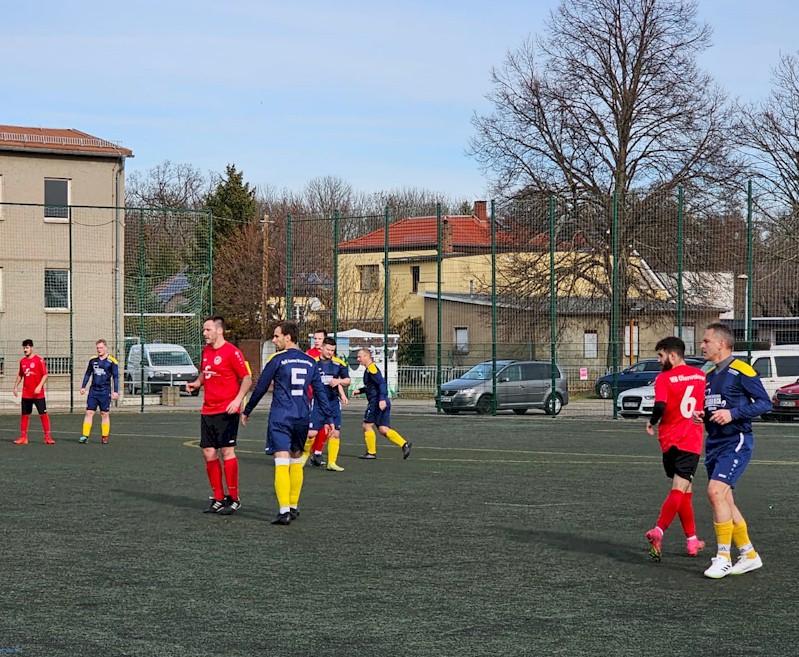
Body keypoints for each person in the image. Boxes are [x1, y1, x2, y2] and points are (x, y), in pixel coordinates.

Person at [241, 321, 334, 525]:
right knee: (295, 461)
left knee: (281, 461)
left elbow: (260, 388)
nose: (274, 340)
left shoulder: (277, 360)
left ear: (288, 337)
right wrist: (329, 418)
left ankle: (284, 511)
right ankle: (293, 506)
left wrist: (247, 410)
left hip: (281, 417)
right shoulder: (311, 362)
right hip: (302, 418)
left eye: (276, 336)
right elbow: (320, 393)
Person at [698, 322, 772, 579]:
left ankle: (723, 557)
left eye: (706, 341)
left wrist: (733, 413)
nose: (702, 345)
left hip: (736, 441)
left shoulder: (741, 369)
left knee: (715, 492)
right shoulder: (708, 373)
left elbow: (765, 403)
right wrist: (704, 416)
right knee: (725, 500)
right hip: (715, 443)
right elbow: (714, 409)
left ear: (721, 343)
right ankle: (749, 554)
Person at [643, 336, 706, 561]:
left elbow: (660, 405)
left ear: (673, 355)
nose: (659, 361)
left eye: (660, 356)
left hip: (669, 441)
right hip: (689, 441)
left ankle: (692, 541)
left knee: (685, 492)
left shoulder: (664, 379)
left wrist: (651, 421)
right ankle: (658, 530)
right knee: (680, 489)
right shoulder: (700, 376)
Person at [186, 316, 252, 515]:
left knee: (227, 452)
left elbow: (247, 379)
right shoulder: (206, 351)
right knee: (208, 452)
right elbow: (204, 373)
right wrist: (197, 383)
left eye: (207, 330)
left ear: (219, 331)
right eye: (204, 330)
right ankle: (218, 497)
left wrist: (238, 399)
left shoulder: (232, 352)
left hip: (227, 410)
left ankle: (233, 498)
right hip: (208, 409)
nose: (204, 333)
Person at [352, 348, 412, 460]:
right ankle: (404, 444)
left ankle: (371, 452)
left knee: (367, 425)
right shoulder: (369, 369)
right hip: (381, 401)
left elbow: (381, 383)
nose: (358, 359)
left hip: (377, 402)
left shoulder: (372, 368)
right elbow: (372, 386)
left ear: (367, 356)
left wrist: (382, 399)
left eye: (360, 357)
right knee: (383, 429)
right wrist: (360, 390)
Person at [307, 337, 351, 471]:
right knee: (312, 433)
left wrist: (339, 383)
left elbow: (347, 380)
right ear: (322, 348)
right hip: (318, 402)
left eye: (333, 350)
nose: (330, 352)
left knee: (335, 433)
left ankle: (332, 463)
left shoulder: (339, 363)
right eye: (328, 349)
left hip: (333, 402)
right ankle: (302, 457)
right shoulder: (312, 363)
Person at [12, 339, 54, 445]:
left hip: (38, 395)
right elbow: (20, 374)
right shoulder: (22, 361)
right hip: (26, 394)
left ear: (32, 348)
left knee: (43, 414)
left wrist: (39, 386)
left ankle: (47, 437)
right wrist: (15, 387)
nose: (25, 350)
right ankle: (23, 437)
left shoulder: (39, 360)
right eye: (24, 348)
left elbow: (45, 375)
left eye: (27, 348)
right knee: (25, 415)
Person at [79, 339, 119, 444]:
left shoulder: (112, 361)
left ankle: (104, 436)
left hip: (105, 391)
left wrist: (115, 391)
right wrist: (83, 386)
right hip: (93, 391)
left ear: (105, 348)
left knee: (104, 413)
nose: (99, 350)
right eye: (97, 348)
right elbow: (88, 374)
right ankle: (85, 436)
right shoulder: (92, 360)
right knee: (89, 412)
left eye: (101, 348)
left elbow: (115, 377)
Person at [302, 328, 329, 464]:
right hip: (311, 395)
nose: (317, 341)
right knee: (312, 427)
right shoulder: (309, 355)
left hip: (325, 396)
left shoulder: (329, 355)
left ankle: (317, 453)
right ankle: (306, 452)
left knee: (325, 425)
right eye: (315, 338)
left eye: (320, 338)